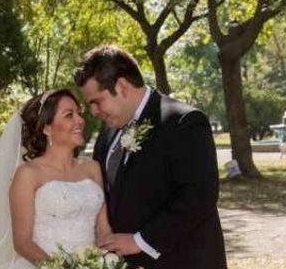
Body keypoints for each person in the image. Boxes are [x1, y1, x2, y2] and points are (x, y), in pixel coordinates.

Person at [74, 45, 227, 269]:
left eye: (97, 101)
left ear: (122, 86)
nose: (94, 112)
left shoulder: (184, 122)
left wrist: (140, 241)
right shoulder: (107, 134)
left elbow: (199, 196)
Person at [0, 89, 111, 269]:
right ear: (46, 128)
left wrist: (104, 262)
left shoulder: (92, 168)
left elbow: (103, 229)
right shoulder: (28, 174)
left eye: (79, 113)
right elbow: (22, 242)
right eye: (69, 115)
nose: (80, 120)